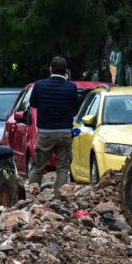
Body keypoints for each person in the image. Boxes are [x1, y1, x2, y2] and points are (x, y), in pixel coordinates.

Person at [28, 56, 81, 198]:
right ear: (66, 72)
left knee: (38, 166)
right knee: (63, 168)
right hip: (64, 133)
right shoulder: (71, 87)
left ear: (50, 69)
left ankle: (32, 198)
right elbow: (75, 110)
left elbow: (33, 104)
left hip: (45, 132)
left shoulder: (39, 85)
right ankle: (59, 198)